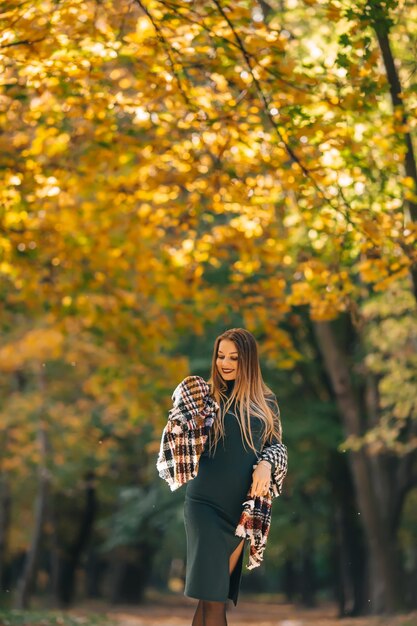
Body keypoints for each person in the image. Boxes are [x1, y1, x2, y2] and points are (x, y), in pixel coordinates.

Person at [183, 328, 284, 626]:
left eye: (233, 357)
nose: (224, 363)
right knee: (214, 601)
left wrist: (266, 464)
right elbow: (182, 440)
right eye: (220, 356)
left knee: (212, 596)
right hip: (204, 507)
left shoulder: (265, 403)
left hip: (240, 513)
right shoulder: (206, 399)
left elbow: (277, 446)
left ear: (248, 361)